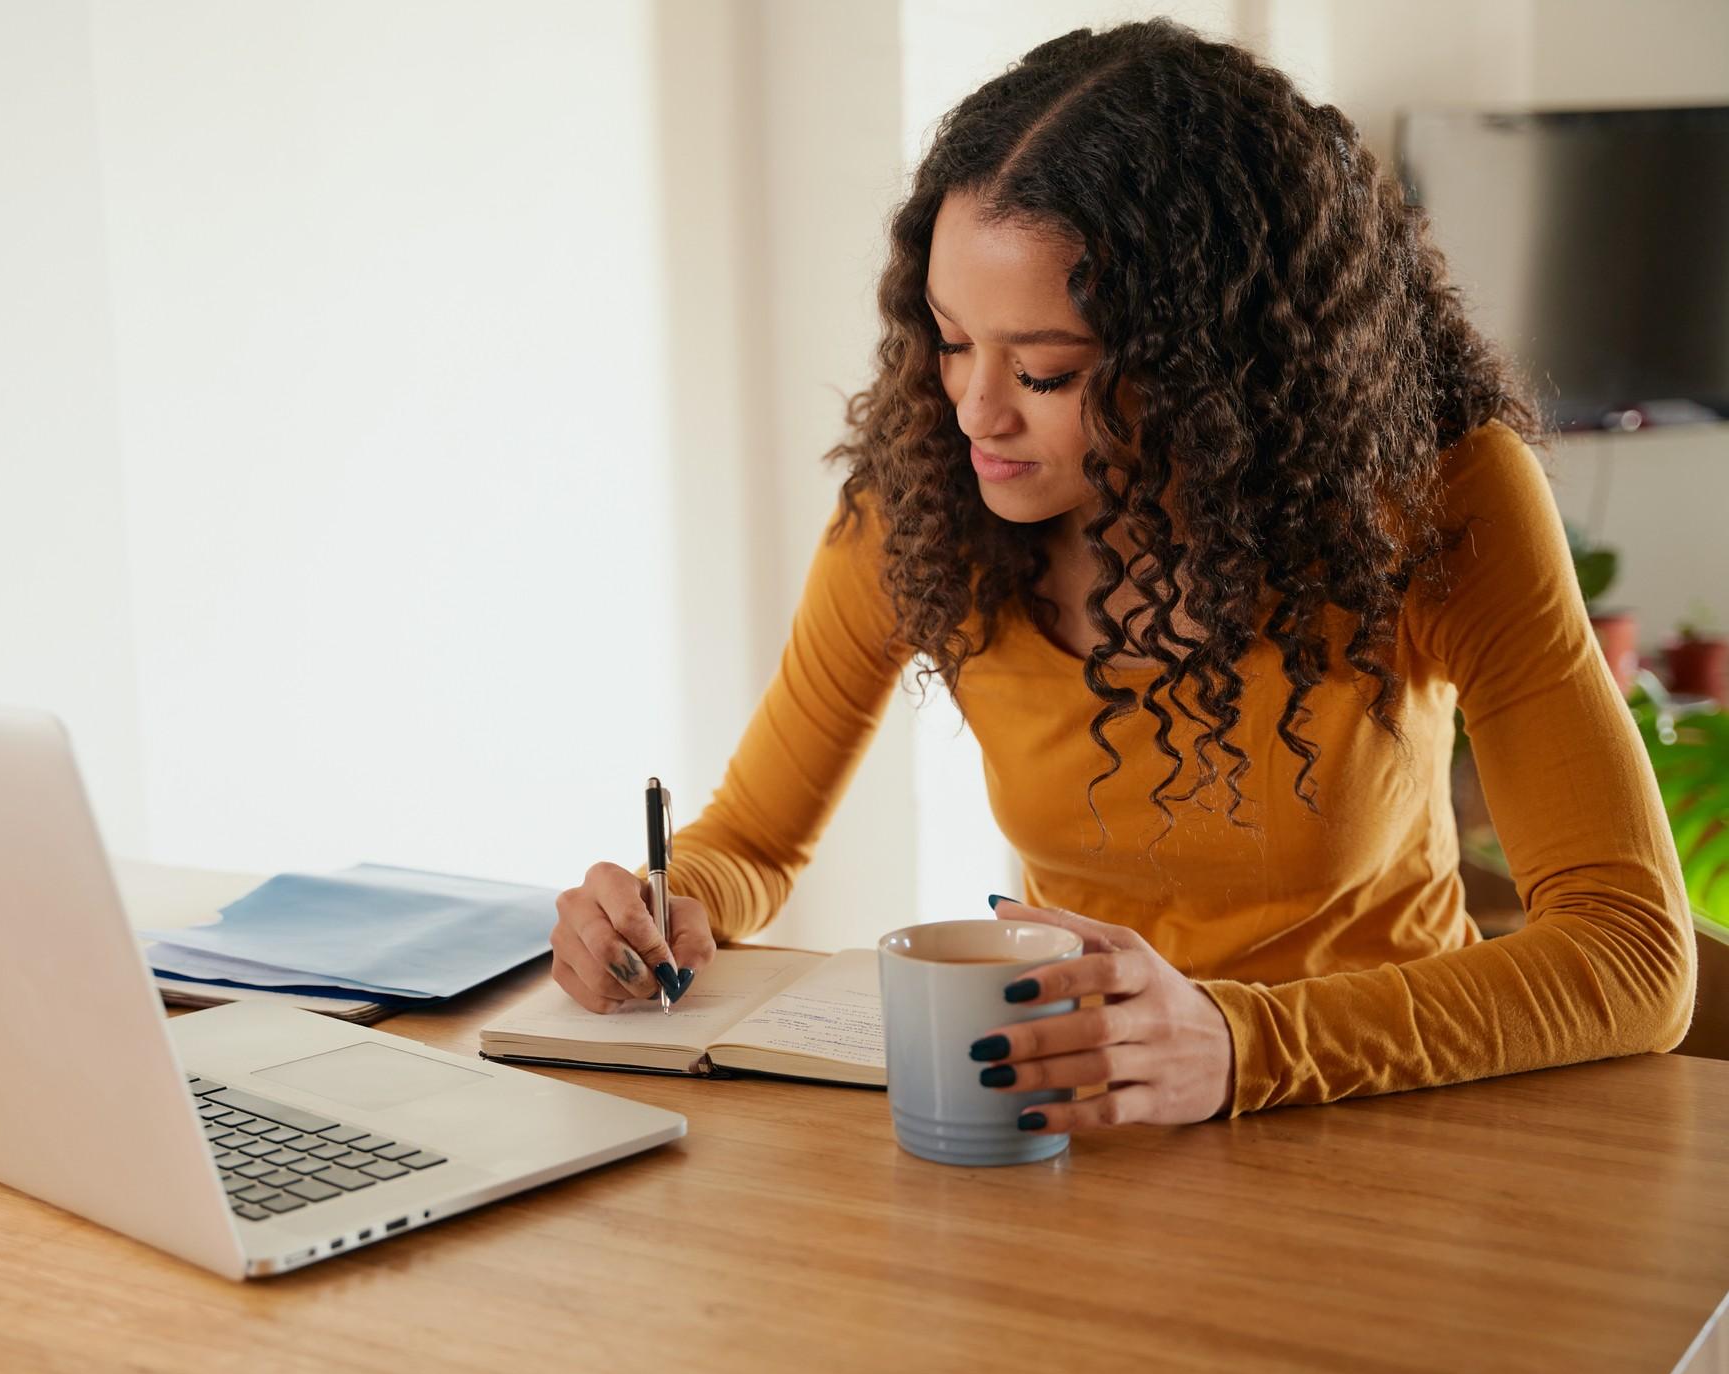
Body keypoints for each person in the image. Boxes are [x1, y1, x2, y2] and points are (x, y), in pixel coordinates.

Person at [545, 19, 1695, 1130]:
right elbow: (748, 840)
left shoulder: (1434, 500)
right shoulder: (924, 506)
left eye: (1043, 371)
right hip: (1089, 1120)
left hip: (1390, 1115)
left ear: (1213, 368)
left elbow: (1631, 952)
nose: (970, 411)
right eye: (948, 339)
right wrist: (666, 905)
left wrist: (1240, 1044)